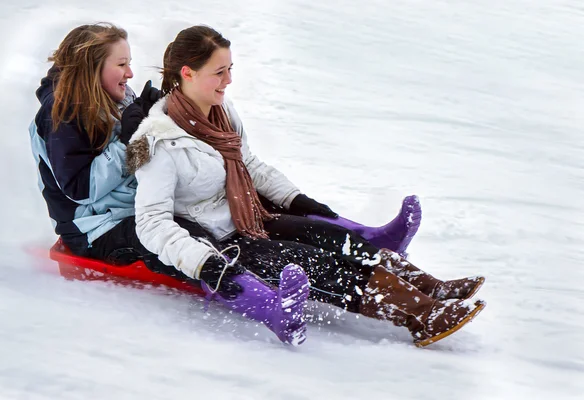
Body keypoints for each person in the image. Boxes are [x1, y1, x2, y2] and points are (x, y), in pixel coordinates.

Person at [124, 25, 486, 347]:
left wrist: (299, 200)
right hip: (223, 240)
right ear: (187, 73)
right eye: (219, 72)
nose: (229, 80)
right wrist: (203, 262)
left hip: (253, 216)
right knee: (322, 264)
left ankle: (431, 288)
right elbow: (152, 222)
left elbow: (251, 166)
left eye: (230, 69)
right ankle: (421, 316)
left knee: (330, 236)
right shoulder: (157, 143)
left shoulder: (221, 112)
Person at [29, 23, 311, 346]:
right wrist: (127, 141)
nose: (130, 73)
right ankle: (269, 309)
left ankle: (274, 279)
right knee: (193, 243)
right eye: (121, 65)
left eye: (129, 63)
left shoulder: (112, 95)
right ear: (92, 68)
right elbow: (80, 189)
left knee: (216, 226)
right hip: (96, 230)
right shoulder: (58, 115)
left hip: (133, 208)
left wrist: (153, 113)